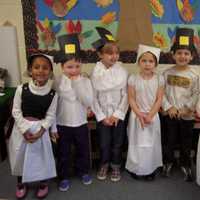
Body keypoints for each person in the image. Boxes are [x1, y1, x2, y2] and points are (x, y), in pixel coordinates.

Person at [8, 54, 58, 199]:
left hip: (40, 130)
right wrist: (24, 130)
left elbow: (50, 115)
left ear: (50, 71)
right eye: (36, 67)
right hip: (21, 130)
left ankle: (43, 183)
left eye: (45, 68)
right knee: (20, 156)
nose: (40, 71)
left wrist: (41, 131)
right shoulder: (21, 89)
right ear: (30, 70)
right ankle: (21, 183)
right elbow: (16, 111)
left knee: (41, 158)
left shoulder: (53, 94)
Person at [52, 33, 93, 192]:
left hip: (80, 122)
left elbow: (88, 101)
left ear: (81, 65)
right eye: (69, 67)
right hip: (63, 123)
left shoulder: (85, 81)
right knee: (64, 152)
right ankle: (63, 176)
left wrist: (77, 84)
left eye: (77, 66)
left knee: (83, 149)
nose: (74, 70)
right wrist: (53, 127)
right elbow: (54, 105)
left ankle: (83, 171)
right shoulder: (57, 81)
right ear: (62, 67)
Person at [91, 27, 128, 182]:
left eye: (116, 53)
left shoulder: (122, 71)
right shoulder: (95, 73)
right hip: (103, 116)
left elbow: (126, 95)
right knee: (104, 143)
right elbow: (93, 97)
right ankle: (104, 164)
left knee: (117, 143)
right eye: (109, 53)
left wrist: (117, 115)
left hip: (118, 116)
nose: (114, 56)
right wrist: (102, 116)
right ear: (100, 54)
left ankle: (116, 165)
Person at [162, 28, 199, 181]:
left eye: (186, 53)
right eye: (179, 53)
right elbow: (161, 93)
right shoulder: (166, 73)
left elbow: (196, 93)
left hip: (186, 115)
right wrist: (168, 107)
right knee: (169, 140)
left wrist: (187, 108)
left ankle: (185, 163)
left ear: (192, 56)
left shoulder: (194, 75)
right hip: (170, 114)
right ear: (173, 55)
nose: (182, 56)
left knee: (186, 142)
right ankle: (168, 162)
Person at [125, 44, 164, 180]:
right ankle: (136, 168)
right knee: (137, 142)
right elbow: (131, 98)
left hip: (152, 115)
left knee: (151, 143)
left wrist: (150, 115)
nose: (147, 64)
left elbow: (159, 99)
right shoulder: (133, 78)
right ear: (139, 62)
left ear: (155, 63)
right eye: (144, 60)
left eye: (151, 61)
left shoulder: (159, 79)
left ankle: (150, 169)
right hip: (137, 115)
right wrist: (139, 113)